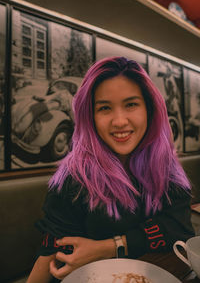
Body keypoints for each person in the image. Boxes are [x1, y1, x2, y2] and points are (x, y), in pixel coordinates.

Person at [27, 57, 194, 283]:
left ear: (149, 109)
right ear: (91, 117)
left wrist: (107, 247)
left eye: (131, 104)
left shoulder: (166, 165)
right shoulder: (74, 177)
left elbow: (179, 229)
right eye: (104, 108)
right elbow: (50, 252)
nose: (119, 121)